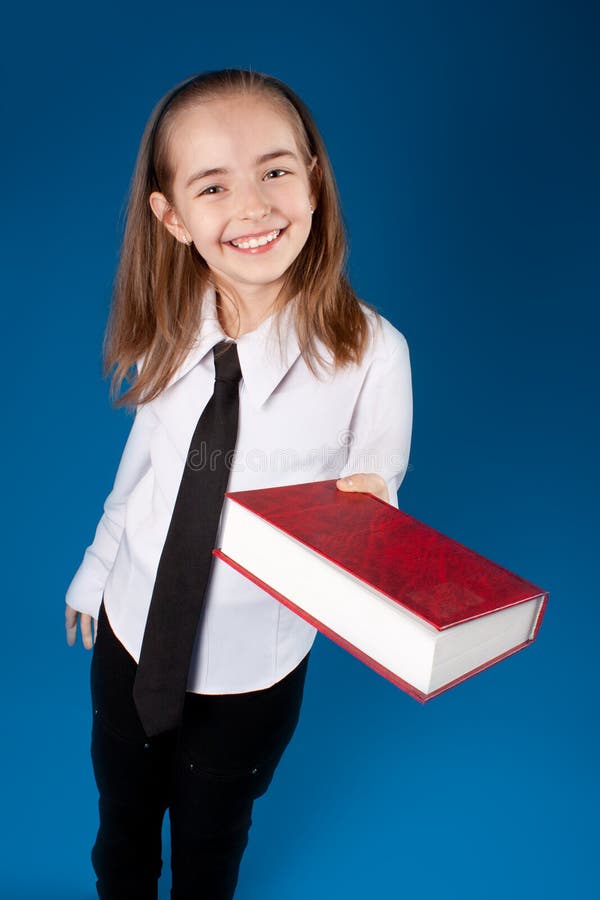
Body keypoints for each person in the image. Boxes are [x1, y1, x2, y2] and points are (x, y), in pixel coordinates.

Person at [64, 67, 413, 900]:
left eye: (276, 170)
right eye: (214, 185)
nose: (253, 205)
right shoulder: (173, 324)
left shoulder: (373, 355)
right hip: (131, 635)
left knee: (212, 841)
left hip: (252, 667)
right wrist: (96, 565)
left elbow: (375, 490)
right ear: (173, 218)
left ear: (315, 180)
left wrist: (367, 519)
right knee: (121, 827)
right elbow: (146, 466)